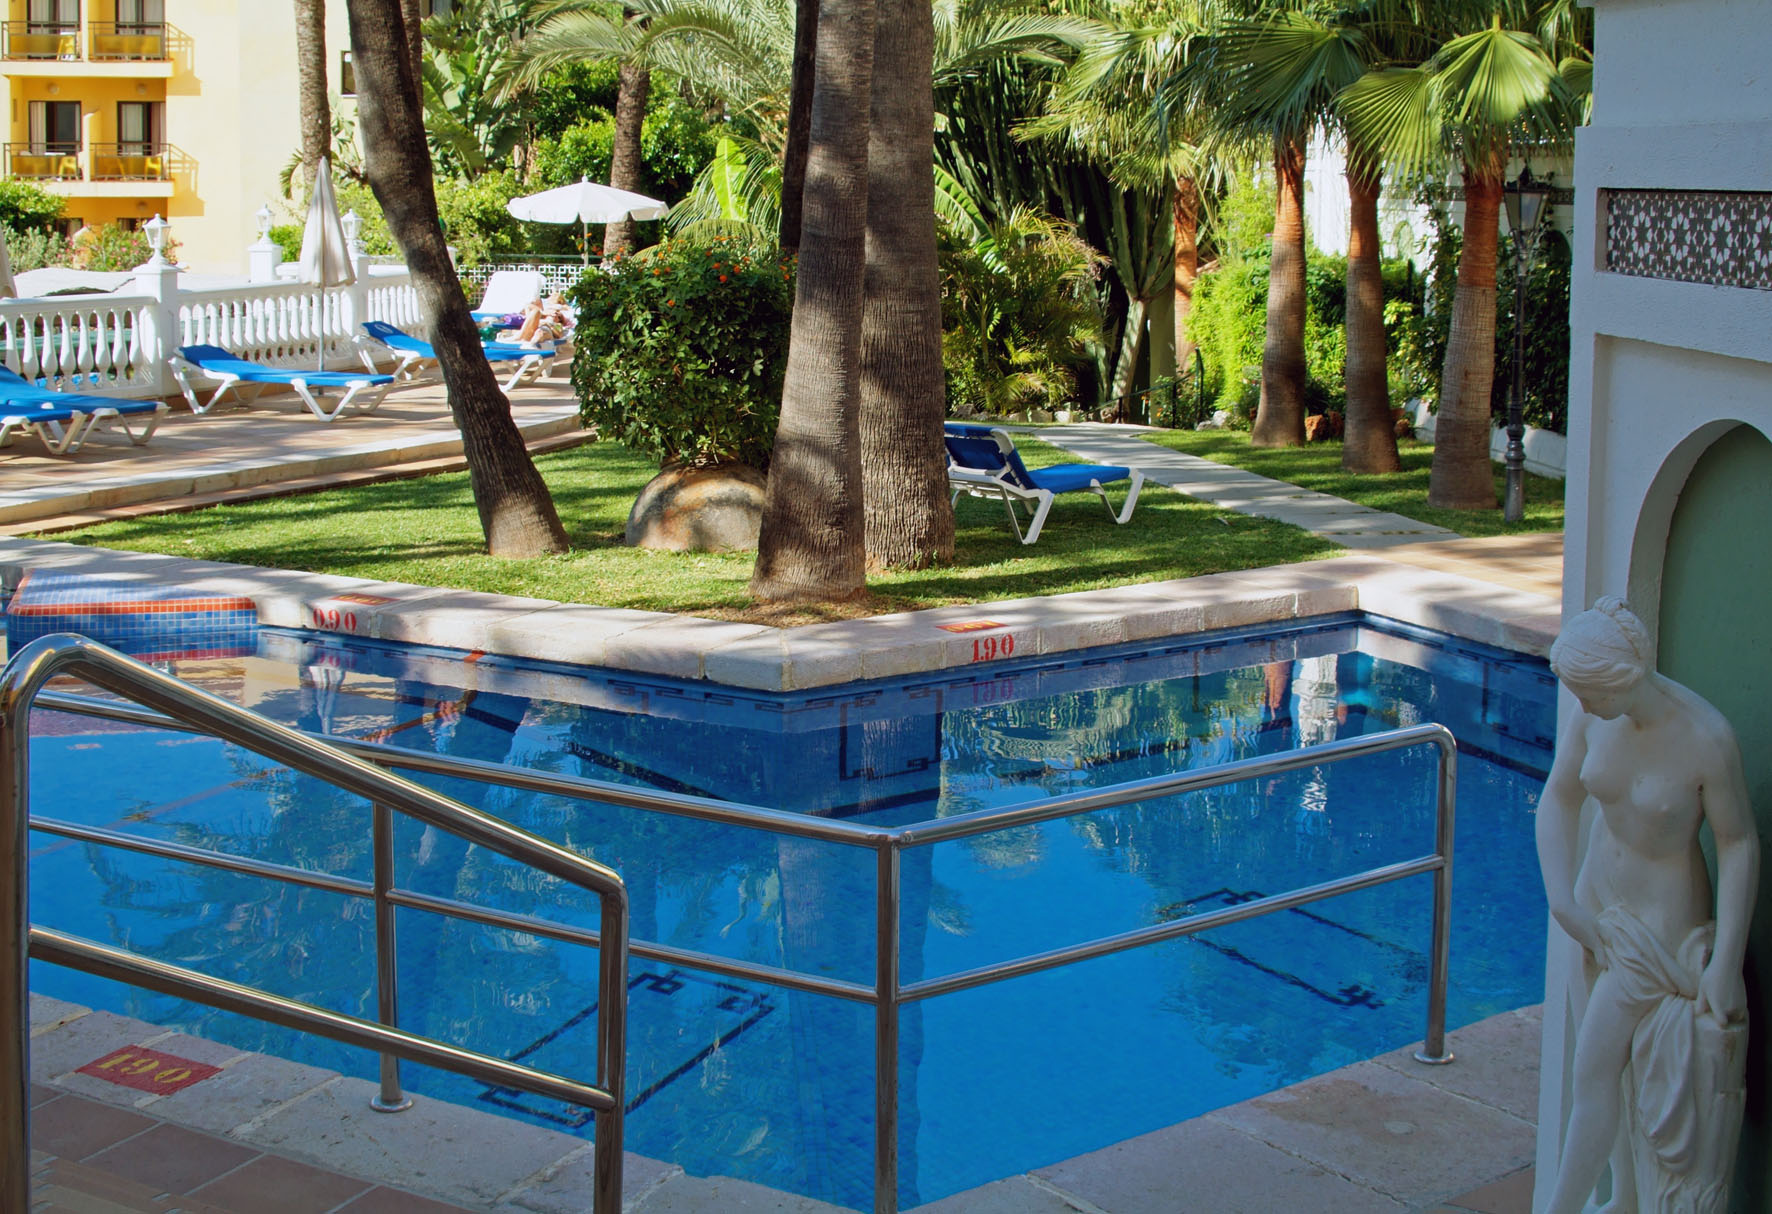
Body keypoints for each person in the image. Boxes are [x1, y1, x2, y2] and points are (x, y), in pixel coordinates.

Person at [1537, 597, 1758, 1213]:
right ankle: (1624, 1198)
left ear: (1622, 680)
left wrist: (1725, 961)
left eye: (1589, 694)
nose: (1582, 707)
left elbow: (1739, 843)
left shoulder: (1705, 738)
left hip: (1658, 933)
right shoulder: (1593, 718)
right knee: (1614, 1073)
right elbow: (1559, 798)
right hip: (1595, 913)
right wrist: (1563, 901)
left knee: (1593, 1073)